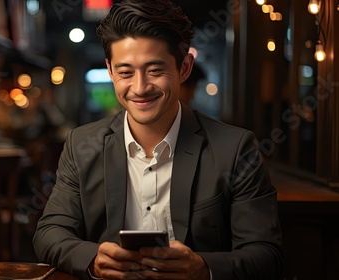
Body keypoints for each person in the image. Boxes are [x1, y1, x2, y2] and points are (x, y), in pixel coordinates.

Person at [33, 1, 283, 279]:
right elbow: (49, 233)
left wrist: (202, 268)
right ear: (110, 70)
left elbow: (265, 253)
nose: (139, 88)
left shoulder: (235, 148)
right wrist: (93, 260)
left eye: (154, 70)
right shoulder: (82, 145)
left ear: (184, 68)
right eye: (125, 72)